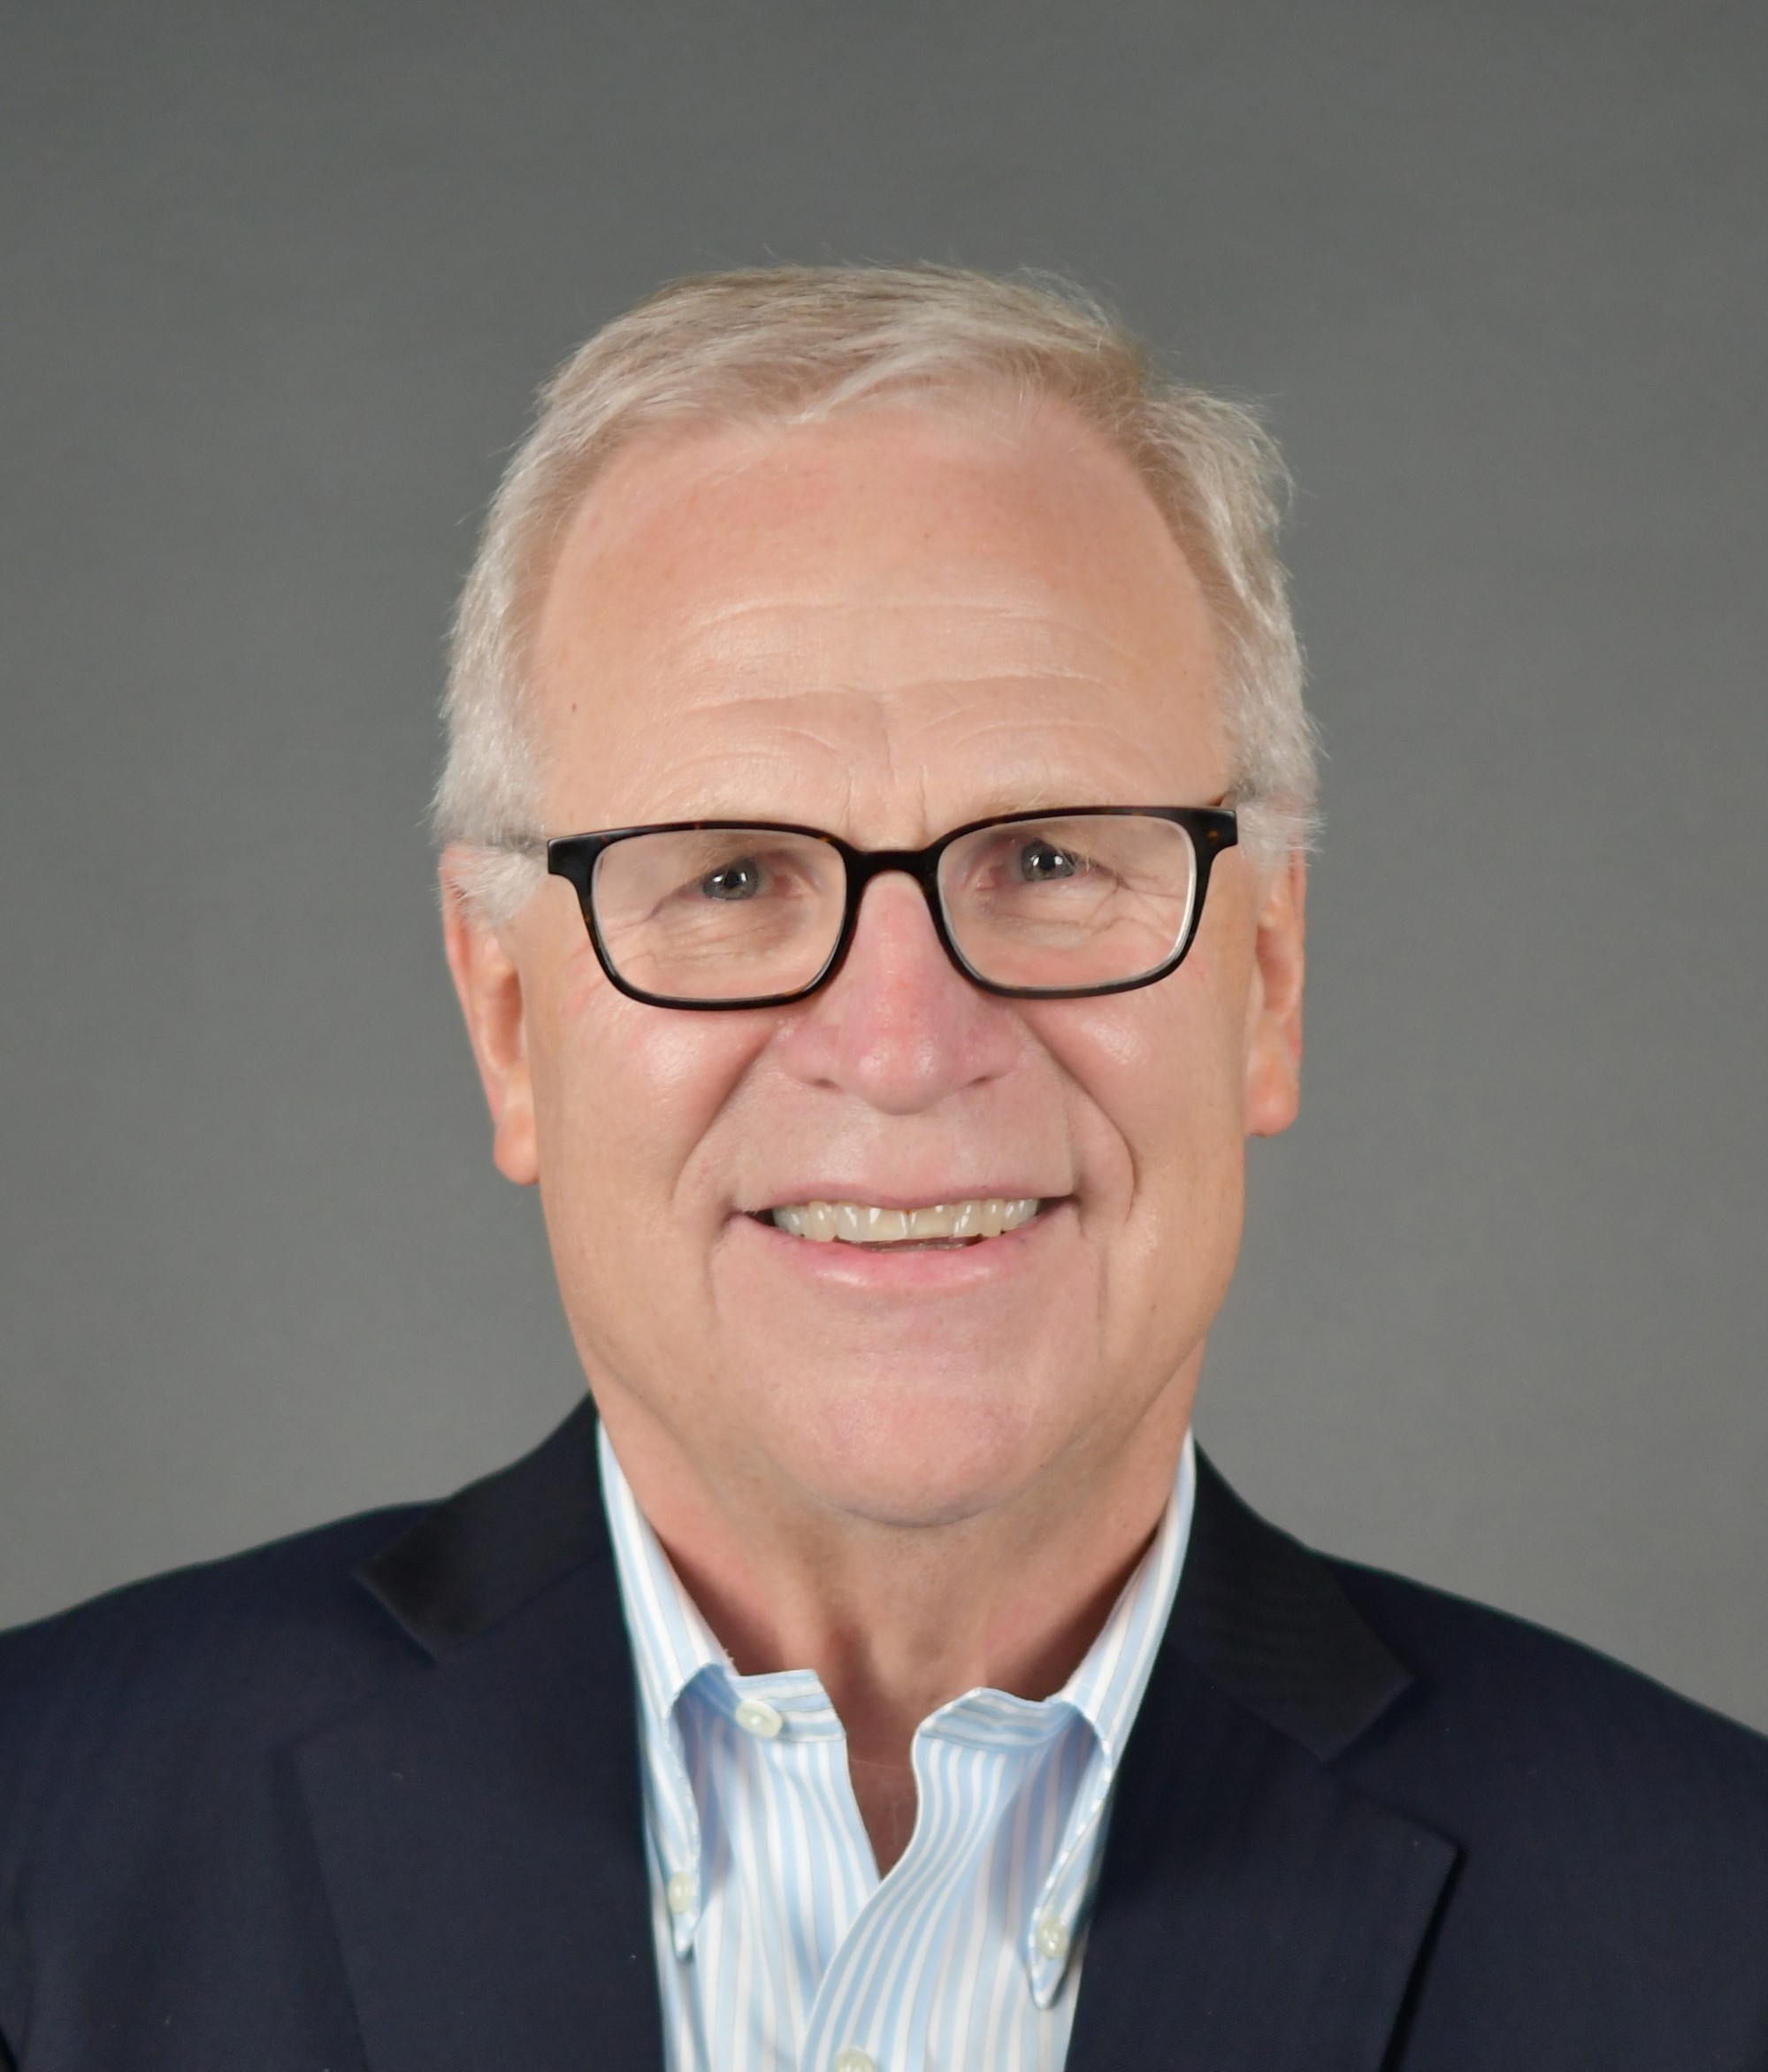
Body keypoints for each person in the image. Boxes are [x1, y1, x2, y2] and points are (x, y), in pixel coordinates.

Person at [2, 265, 1765, 2072]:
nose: (907, 1047)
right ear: (509, 1019)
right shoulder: (34, 1856)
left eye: (1050, 860)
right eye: (731, 877)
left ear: (1268, 979)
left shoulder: (1721, 1934)